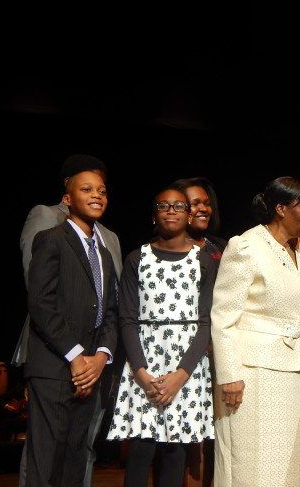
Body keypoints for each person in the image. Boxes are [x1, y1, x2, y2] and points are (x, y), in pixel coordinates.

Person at [211, 177, 300, 487]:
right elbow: (223, 315)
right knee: (251, 462)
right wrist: (229, 374)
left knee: (291, 461)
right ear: (280, 208)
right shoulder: (246, 246)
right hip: (254, 372)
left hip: (299, 368)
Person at [15, 154, 123, 487]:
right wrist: (75, 355)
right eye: (87, 189)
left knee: (77, 457)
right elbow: (42, 303)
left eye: (102, 191)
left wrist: (101, 356)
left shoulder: (104, 251)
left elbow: (110, 310)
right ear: (67, 198)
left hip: (91, 370)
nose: (96, 196)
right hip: (55, 366)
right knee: (46, 461)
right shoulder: (51, 238)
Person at [107, 188, 216, 487]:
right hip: (145, 362)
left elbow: (206, 322)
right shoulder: (136, 258)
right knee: (141, 449)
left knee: (175, 450)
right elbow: (127, 319)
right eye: (163, 205)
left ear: (189, 213)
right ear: (153, 214)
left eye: (178, 205)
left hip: (186, 365)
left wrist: (180, 375)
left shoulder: (204, 261)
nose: (171, 210)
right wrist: (141, 374)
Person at [169, 176, 227, 487]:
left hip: (217, 356)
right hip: (179, 356)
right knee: (178, 442)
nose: (203, 208)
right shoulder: (164, 249)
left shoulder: (223, 248)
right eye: (194, 203)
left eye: (206, 202)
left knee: (215, 440)